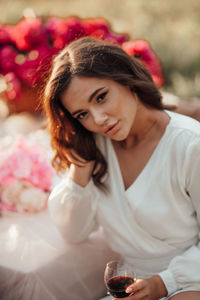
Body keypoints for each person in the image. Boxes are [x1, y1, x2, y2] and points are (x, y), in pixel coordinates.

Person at [43, 37, 200, 300]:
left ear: (126, 79)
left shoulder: (190, 145)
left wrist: (164, 283)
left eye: (101, 97)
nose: (98, 119)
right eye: (82, 114)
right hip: (130, 287)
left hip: (190, 279)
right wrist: (80, 169)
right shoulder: (93, 148)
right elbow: (73, 231)